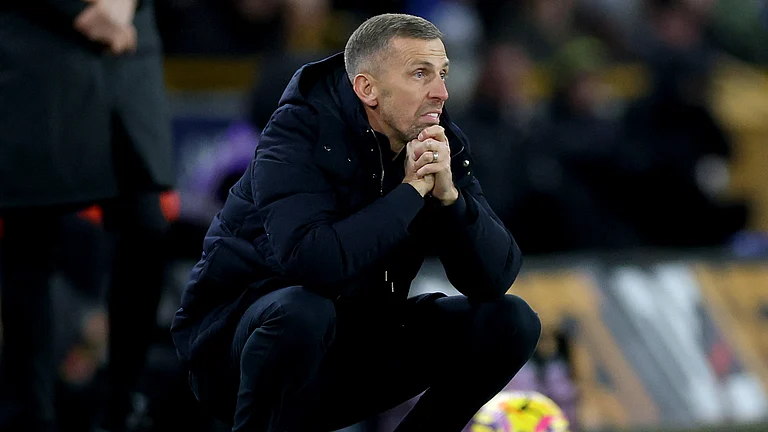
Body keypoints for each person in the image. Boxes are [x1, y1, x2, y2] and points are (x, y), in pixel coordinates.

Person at [171, 13, 541, 432]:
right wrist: (409, 194)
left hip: (357, 344)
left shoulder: (439, 140)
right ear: (367, 88)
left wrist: (450, 200)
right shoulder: (298, 132)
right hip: (238, 359)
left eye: (443, 74)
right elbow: (313, 262)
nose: (440, 93)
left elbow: (495, 278)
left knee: (512, 322)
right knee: (303, 312)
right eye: (420, 74)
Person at [0, 1, 174, 431]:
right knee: (30, 234)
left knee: (147, 225)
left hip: (127, 37)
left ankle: (122, 404)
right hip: (35, 35)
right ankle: (31, 413)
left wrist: (118, 5)